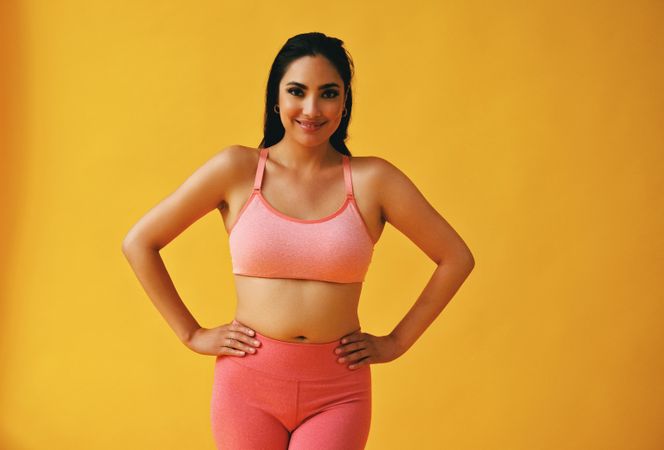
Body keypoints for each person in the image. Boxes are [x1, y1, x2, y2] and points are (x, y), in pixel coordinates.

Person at [122, 31, 475, 450]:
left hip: (338, 392)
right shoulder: (237, 170)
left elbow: (455, 257)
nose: (311, 108)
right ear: (276, 99)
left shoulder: (373, 180)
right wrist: (191, 334)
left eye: (328, 93)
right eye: (297, 91)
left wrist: (397, 342)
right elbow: (139, 241)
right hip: (247, 387)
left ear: (345, 103)